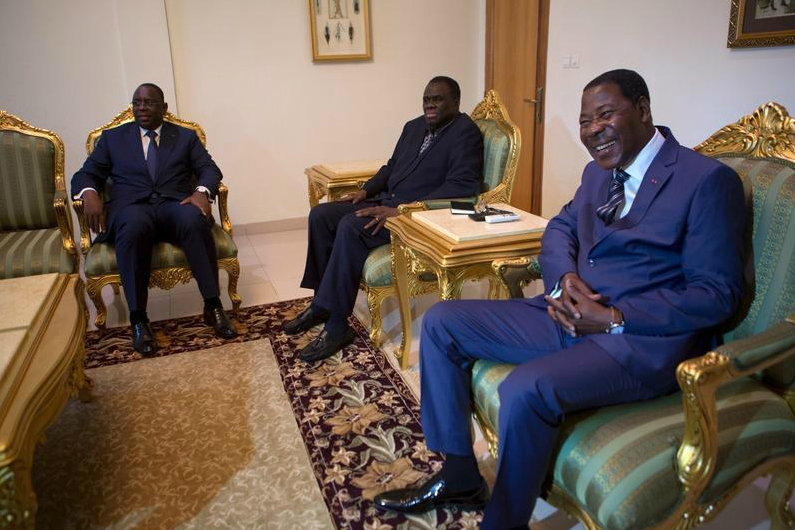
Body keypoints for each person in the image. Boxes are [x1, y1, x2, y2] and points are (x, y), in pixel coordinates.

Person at [373, 69, 747, 529]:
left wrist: (613, 316)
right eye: (585, 121)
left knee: (525, 389)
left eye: (605, 115)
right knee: (442, 322)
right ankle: (458, 475)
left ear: (644, 109)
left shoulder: (705, 180)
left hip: (634, 341)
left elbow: (717, 294)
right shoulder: (597, 173)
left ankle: (504, 521)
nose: (592, 131)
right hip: (565, 313)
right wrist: (564, 277)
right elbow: (561, 228)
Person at [283, 76, 484, 362]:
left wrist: (405, 211)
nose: (429, 104)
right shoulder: (413, 127)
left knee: (352, 227)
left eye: (437, 99)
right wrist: (365, 191)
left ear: (456, 102)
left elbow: (463, 186)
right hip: (386, 202)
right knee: (321, 214)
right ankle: (321, 303)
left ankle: (337, 326)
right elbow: (391, 168)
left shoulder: (466, 133)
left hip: (416, 218)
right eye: (426, 99)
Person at [72, 83, 238, 356]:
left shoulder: (184, 137)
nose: (142, 107)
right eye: (137, 102)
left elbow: (209, 169)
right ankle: (139, 319)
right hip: (132, 207)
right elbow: (85, 174)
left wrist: (201, 192)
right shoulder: (112, 139)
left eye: (149, 102)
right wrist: (89, 192)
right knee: (134, 227)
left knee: (194, 220)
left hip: (175, 203)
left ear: (164, 108)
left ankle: (213, 305)